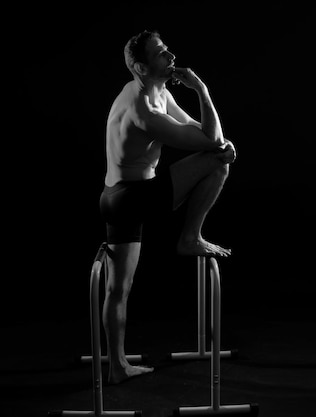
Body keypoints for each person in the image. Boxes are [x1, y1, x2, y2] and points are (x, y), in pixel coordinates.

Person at [99, 30, 236, 384]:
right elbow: (214, 141)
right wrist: (202, 90)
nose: (171, 55)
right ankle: (189, 237)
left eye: (166, 49)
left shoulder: (155, 91)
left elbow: (203, 131)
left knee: (118, 290)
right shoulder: (143, 107)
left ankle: (116, 367)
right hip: (133, 196)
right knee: (220, 161)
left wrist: (216, 139)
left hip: (115, 196)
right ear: (142, 67)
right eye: (161, 53)